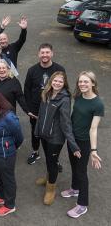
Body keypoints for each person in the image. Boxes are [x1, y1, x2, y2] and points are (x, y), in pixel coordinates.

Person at [61, 71, 104, 218]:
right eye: (80, 81)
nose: (82, 84)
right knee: (73, 165)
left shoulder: (98, 104)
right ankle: (75, 188)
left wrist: (93, 150)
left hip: (84, 143)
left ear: (93, 83)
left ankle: (82, 204)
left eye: (86, 81)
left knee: (81, 172)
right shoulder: (78, 96)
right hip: (72, 139)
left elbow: (93, 129)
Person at [34, 71, 80, 205]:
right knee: (48, 159)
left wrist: (73, 145)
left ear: (64, 83)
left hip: (55, 138)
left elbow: (66, 123)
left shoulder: (65, 99)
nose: (57, 83)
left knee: (52, 162)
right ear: (51, 81)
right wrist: (38, 130)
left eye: (60, 81)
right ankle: (48, 178)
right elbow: (41, 114)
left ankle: (50, 189)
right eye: (55, 80)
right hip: (44, 134)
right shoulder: (46, 93)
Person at [24, 43, 65, 165]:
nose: (45, 55)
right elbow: (26, 90)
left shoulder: (59, 70)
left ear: (52, 53)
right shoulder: (32, 70)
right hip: (36, 110)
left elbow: (64, 90)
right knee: (35, 132)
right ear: (38, 54)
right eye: (42, 52)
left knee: (53, 134)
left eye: (47, 52)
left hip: (53, 109)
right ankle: (35, 152)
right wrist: (29, 109)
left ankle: (54, 159)